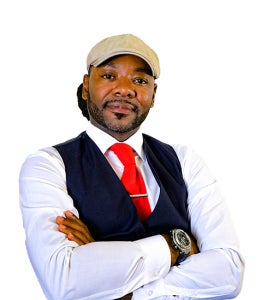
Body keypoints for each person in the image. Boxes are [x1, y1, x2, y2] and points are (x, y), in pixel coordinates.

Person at [19, 33, 244, 300]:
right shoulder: (48, 165)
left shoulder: (184, 161)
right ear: (86, 85)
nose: (125, 89)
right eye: (109, 76)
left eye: (139, 80)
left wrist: (124, 288)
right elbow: (65, 280)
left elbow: (229, 273)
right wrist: (176, 247)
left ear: (153, 94)